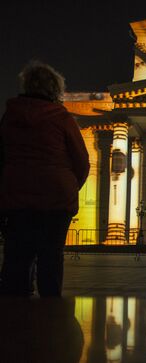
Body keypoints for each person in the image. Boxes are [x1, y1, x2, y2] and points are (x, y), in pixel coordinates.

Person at [0, 61, 90, 297]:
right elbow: (81, 161)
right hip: (56, 198)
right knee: (51, 258)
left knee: (17, 257)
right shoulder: (62, 118)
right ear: (55, 89)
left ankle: (13, 321)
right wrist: (70, 188)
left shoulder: (10, 117)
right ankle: (52, 320)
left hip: (17, 197)